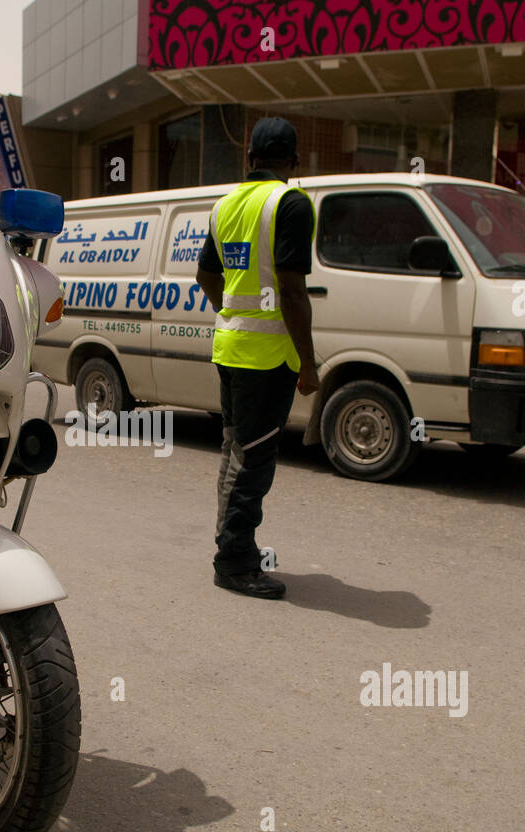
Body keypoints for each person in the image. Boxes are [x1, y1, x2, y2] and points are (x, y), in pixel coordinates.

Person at [196, 117, 319, 600]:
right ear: (293, 161)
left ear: (249, 158)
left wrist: (233, 311)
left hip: (230, 348)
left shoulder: (224, 206)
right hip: (267, 360)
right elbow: (292, 290)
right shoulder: (291, 204)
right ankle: (234, 562)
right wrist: (308, 363)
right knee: (252, 463)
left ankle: (232, 545)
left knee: (235, 451)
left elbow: (206, 276)